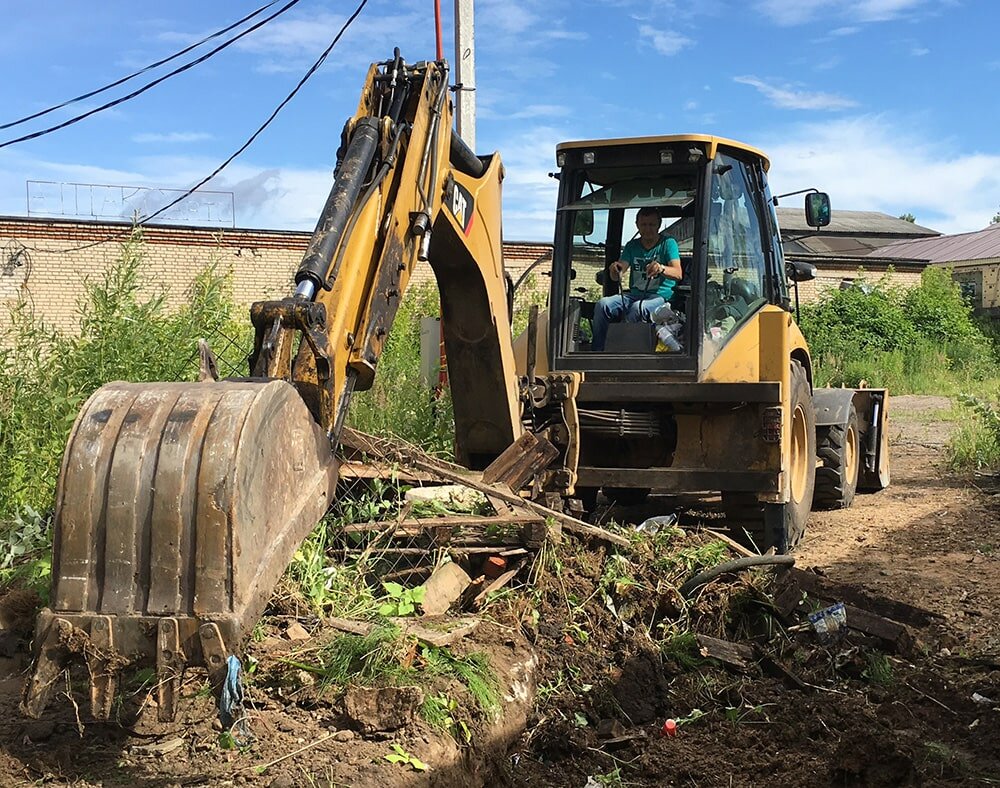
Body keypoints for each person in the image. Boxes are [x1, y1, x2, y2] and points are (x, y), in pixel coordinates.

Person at [591, 207, 683, 351]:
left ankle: (624, 351)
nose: (648, 229)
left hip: (660, 298)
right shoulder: (632, 246)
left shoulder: (668, 243)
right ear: (637, 225)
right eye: (644, 225)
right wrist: (614, 269)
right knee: (603, 305)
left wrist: (661, 268)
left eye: (652, 225)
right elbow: (619, 272)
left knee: (637, 309)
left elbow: (678, 273)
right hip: (634, 295)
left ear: (659, 225)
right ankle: (598, 352)